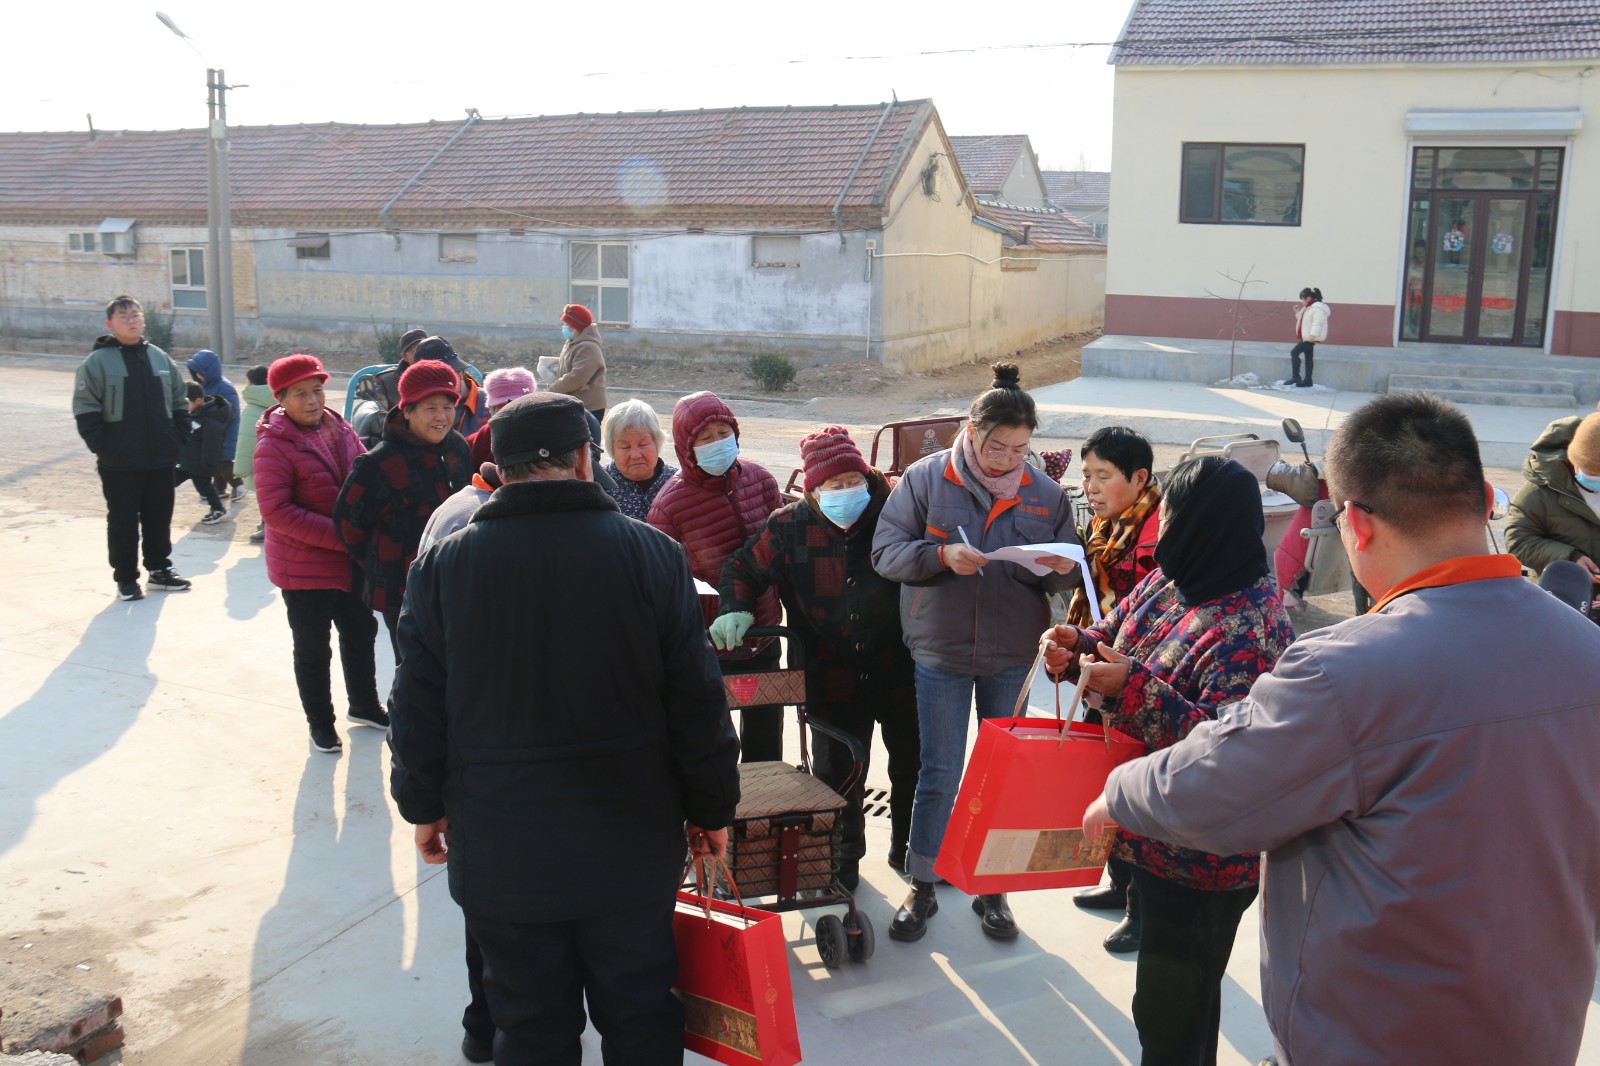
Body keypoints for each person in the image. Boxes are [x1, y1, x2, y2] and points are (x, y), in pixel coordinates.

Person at [1080, 393, 1600, 1066]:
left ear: (1353, 522)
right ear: (1487, 502)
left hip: (1373, 1032)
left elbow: (1219, 786)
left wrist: (1122, 791)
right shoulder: (1583, 651)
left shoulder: (1347, 670)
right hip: (1534, 1027)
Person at [389, 392, 740, 1066]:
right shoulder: (654, 558)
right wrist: (710, 809)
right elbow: (698, 704)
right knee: (640, 1015)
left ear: (500, 467)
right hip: (630, 844)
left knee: (528, 1026)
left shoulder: (442, 569)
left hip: (502, 849)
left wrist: (424, 806)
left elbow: (417, 706)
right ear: (586, 460)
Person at [1043, 455, 1294, 1065]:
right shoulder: (1174, 576)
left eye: (1174, 516)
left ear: (1207, 524)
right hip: (1149, 834)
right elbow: (1118, 629)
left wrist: (1131, 689)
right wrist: (1081, 645)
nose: (1163, 528)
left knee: (1172, 1018)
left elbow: (1230, 755)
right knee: (1165, 1009)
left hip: (1202, 861)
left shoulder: (1251, 626)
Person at [871, 362, 1079, 943]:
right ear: (971, 429)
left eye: (1020, 449)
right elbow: (886, 552)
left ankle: (993, 890)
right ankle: (924, 883)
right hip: (939, 648)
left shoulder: (1044, 493)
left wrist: (1060, 568)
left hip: (1013, 651)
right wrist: (939, 559)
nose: (1008, 460)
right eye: (997, 446)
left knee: (1003, 774)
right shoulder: (925, 479)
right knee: (940, 770)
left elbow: (1062, 575)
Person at [716, 426, 922, 887]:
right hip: (829, 676)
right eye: (834, 485)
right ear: (812, 491)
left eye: (855, 481)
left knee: (911, 761)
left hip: (899, 669)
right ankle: (841, 859)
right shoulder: (788, 528)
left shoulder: (893, 513)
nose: (847, 492)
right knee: (838, 772)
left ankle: (909, 846)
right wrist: (735, 608)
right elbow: (741, 568)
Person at [253, 354, 386, 754]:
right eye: (300, 394)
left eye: (317, 390)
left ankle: (363, 705)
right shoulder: (272, 445)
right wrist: (345, 536)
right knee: (313, 648)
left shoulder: (339, 425)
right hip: (305, 567)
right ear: (280, 398)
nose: (312, 400)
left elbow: (364, 470)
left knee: (361, 632)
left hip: (350, 562)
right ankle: (320, 724)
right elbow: (276, 512)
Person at [1064, 424, 1162, 953]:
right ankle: (1119, 884)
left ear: (1139, 478)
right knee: (1106, 779)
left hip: (1138, 679)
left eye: (1104, 475)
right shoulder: (1107, 528)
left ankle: (1142, 909)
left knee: (1136, 787)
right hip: (1099, 670)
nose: (1092, 487)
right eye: (1087, 476)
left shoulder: (1155, 532)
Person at [648, 391, 786, 762]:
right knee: (712, 742)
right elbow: (662, 586)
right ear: (686, 447)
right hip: (709, 644)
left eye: (723, 432)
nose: (717, 444)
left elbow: (786, 549)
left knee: (766, 740)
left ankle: (765, 811)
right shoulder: (668, 507)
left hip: (765, 632)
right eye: (705, 439)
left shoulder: (760, 479)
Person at [333, 360, 473, 658]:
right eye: (430, 408)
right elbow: (349, 525)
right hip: (402, 588)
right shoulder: (379, 463)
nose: (442, 417)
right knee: (413, 670)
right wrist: (381, 564)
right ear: (407, 410)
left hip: (453, 581)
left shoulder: (457, 449)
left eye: (448, 407)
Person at [73, 295, 193, 601]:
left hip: (160, 459)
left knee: (158, 517)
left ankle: (159, 570)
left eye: (135, 314)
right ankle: (126, 578)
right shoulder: (97, 362)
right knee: (123, 521)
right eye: (123, 316)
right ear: (110, 324)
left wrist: (177, 437)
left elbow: (180, 400)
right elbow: (86, 410)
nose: (131, 320)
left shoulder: (159, 358)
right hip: (119, 463)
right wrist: (105, 447)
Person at [1506, 410, 1600, 585]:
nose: (1596, 479)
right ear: (1574, 460)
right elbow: (1519, 540)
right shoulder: (1539, 491)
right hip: (1561, 594)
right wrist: (1569, 558)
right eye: (1591, 472)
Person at [600, 399, 675, 520]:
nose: (635, 455)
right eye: (625, 446)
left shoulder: (676, 482)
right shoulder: (600, 487)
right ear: (612, 449)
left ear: (657, 442)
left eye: (643, 444)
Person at [185, 348, 244, 500]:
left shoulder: (225, 388)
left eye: (200, 372)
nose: (198, 376)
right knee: (215, 460)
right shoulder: (204, 386)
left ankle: (239, 486)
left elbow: (232, 414)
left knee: (224, 461)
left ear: (209, 370)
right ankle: (219, 489)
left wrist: (217, 424)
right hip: (212, 429)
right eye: (195, 372)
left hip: (225, 429)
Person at [175, 381, 231, 525]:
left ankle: (218, 510)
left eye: (185, 402)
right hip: (186, 461)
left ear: (198, 400)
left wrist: (207, 464)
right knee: (165, 483)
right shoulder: (194, 413)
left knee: (205, 487)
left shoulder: (210, 418)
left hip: (200, 463)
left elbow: (212, 445)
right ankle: (149, 509)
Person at [466, 367, 537, 468]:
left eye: (521, 405)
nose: (513, 413)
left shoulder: (554, 438)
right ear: (491, 409)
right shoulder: (473, 446)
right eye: (504, 408)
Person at [548, 303, 607, 420]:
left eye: (567, 324)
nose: (564, 327)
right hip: (575, 403)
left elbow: (578, 377)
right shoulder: (572, 342)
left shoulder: (588, 347)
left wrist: (554, 387)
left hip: (588, 406)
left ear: (576, 327)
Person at [237, 364, 274, 545]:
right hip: (280, 462)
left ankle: (269, 527)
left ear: (251, 384)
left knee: (266, 498)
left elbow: (246, 441)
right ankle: (266, 524)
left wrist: (241, 469)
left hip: (261, 464)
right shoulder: (284, 401)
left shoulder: (252, 409)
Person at [353, 326, 428, 412]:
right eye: (416, 353)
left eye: (426, 351)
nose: (422, 357)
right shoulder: (384, 381)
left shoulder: (442, 378)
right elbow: (379, 413)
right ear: (405, 357)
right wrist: (372, 396)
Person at [1287, 287, 1329, 389]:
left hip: (1310, 337)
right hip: (1308, 337)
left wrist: (1313, 335)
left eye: (1302, 299)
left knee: (1294, 353)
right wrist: (1297, 312)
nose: (1302, 301)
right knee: (1308, 358)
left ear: (1309, 298)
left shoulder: (1317, 309)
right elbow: (1304, 321)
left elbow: (1317, 322)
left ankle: (1296, 377)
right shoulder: (1308, 308)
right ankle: (1308, 380)